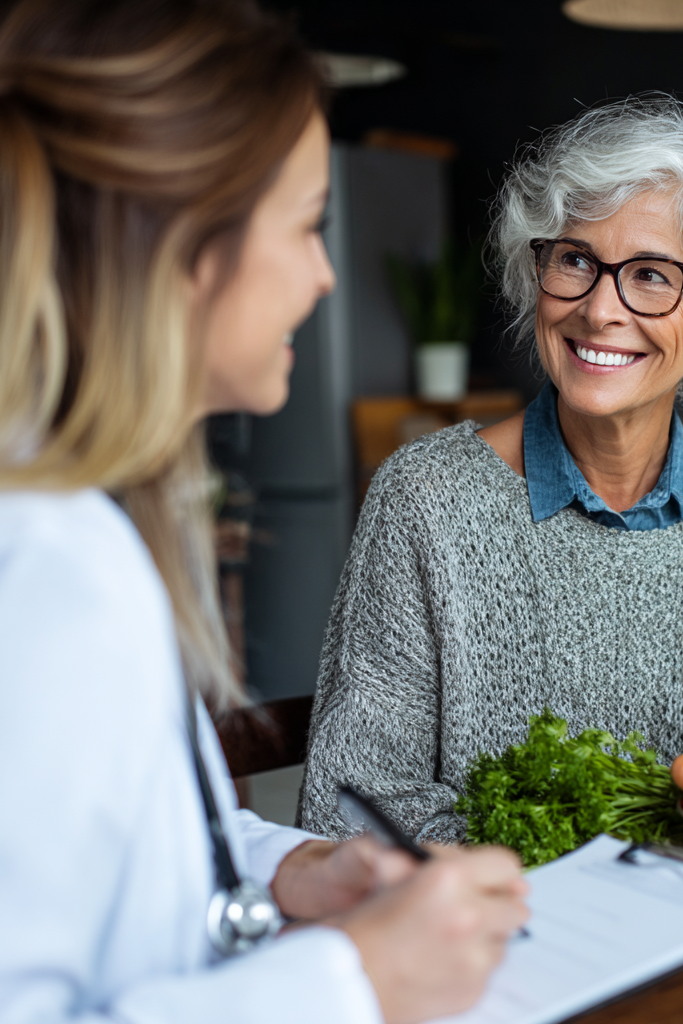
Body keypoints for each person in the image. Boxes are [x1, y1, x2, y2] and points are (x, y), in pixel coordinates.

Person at [0, 3, 529, 1023]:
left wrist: (293, 871)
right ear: (186, 247)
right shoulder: (54, 569)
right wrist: (355, 981)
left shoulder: (90, 528)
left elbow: (133, 846)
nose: (326, 274)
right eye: (304, 225)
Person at [301, 96, 683, 844]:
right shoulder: (426, 503)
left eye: (650, 275)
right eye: (575, 260)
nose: (601, 308)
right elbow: (348, 812)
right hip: (508, 943)